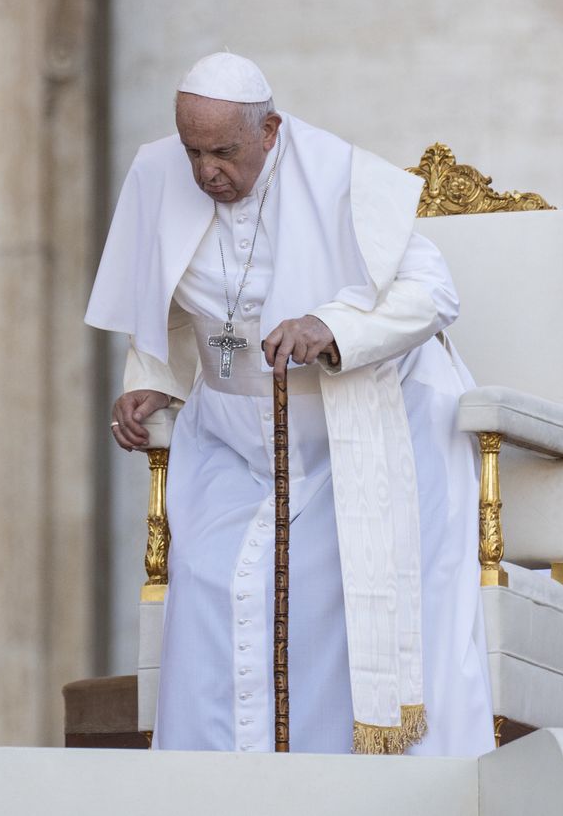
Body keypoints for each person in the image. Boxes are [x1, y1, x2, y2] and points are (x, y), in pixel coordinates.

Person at [85, 53, 493, 756]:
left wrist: (335, 327)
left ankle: (331, 785)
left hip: (355, 431)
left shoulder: (340, 178)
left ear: (269, 131)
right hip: (237, 438)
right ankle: (224, 787)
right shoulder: (160, 177)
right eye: (193, 151)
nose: (206, 172)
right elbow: (178, 303)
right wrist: (154, 376)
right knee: (209, 580)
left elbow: (436, 295)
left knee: (324, 591)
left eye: (224, 152)